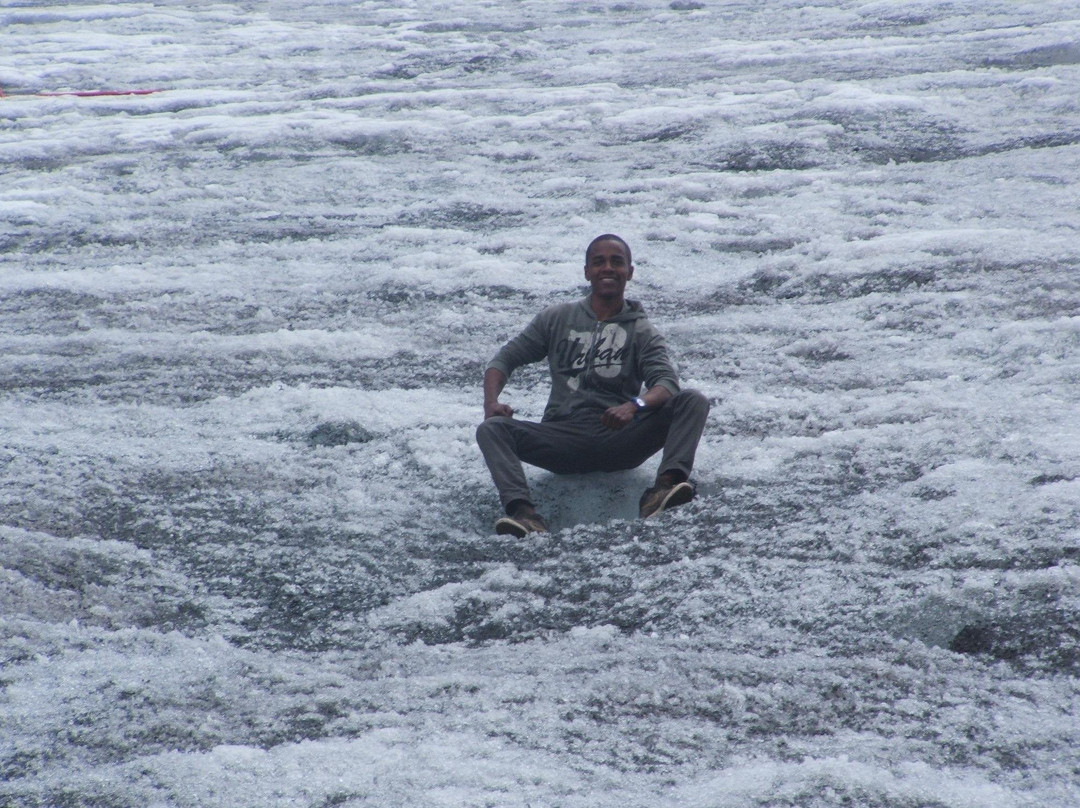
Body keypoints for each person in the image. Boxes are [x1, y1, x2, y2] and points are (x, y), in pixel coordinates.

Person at [476, 234, 710, 537]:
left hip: (617, 437)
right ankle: (525, 515)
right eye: (598, 262)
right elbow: (502, 361)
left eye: (617, 262)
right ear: (587, 271)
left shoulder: (642, 331)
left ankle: (664, 488)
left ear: (630, 272)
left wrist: (633, 406)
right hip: (562, 437)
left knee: (693, 400)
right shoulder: (556, 318)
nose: (608, 268)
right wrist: (492, 403)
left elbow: (666, 384)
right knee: (491, 429)